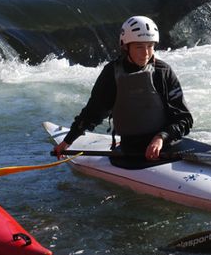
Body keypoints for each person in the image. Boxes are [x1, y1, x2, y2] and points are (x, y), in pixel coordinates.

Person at [52, 15, 193, 162]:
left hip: (167, 146)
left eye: (150, 46)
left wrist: (161, 137)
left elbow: (185, 119)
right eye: (139, 47)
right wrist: (67, 141)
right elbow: (92, 113)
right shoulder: (111, 74)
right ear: (126, 46)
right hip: (130, 149)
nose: (146, 53)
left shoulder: (163, 72)